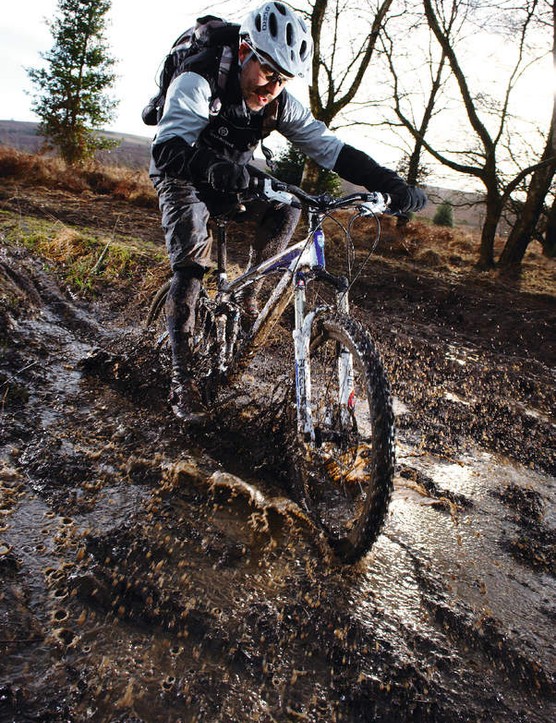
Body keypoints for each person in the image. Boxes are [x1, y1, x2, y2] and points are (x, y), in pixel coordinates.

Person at [149, 1, 426, 422]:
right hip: (180, 170)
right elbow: (168, 148)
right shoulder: (199, 77)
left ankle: (249, 297)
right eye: (266, 71)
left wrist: (389, 184)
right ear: (244, 51)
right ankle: (181, 381)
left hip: (233, 175)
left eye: (282, 79)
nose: (271, 87)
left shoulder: (280, 103)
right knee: (191, 264)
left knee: (288, 206)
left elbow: (330, 149)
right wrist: (217, 169)